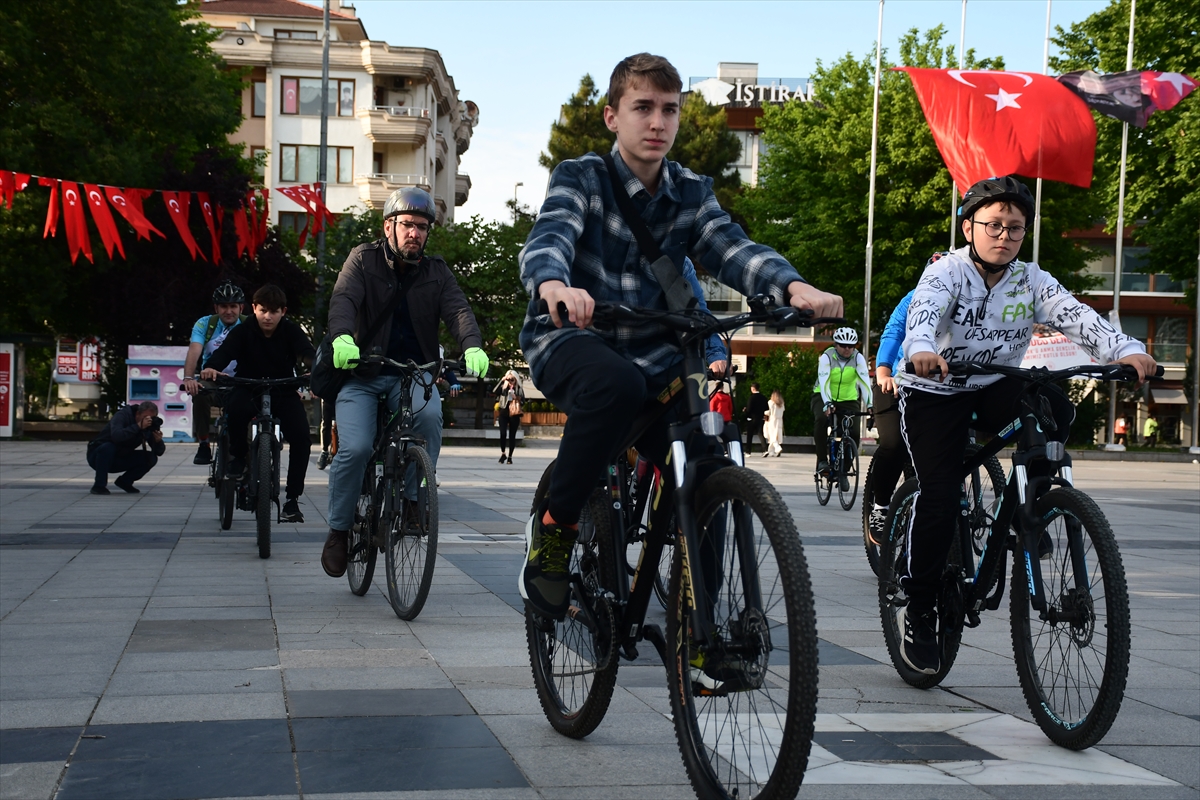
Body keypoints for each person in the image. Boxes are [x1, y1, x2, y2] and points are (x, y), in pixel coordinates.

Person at [515, 52, 842, 630]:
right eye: (643, 107)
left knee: (708, 462)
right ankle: (555, 531)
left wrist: (793, 285)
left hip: (659, 351)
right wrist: (555, 285)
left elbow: (731, 247)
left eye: (669, 109)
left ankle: (700, 632)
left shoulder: (692, 192)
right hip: (572, 335)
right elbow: (552, 235)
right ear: (613, 116)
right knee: (614, 384)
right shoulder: (581, 177)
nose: (657, 122)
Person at [896, 175, 1155, 676]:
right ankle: (919, 611)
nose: (1004, 236)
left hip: (996, 383)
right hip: (936, 389)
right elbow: (923, 316)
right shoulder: (945, 272)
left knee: (1056, 408)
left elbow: (1077, 317)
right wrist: (922, 350)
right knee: (941, 495)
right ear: (969, 225)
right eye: (994, 224)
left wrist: (1127, 350)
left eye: (1015, 228)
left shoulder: (1031, 279)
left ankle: (1032, 503)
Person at [321, 186, 489, 578]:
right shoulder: (362, 259)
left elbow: (459, 310)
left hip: (412, 373)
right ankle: (339, 530)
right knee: (357, 447)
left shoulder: (436, 272)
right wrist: (343, 337)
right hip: (363, 373)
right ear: (389, 226)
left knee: (429, 421)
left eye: (422, 227)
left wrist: (472, 345)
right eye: (408, 225)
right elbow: (343, 300)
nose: (415, 233)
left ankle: (413, 501)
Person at [201, 284, 315, 523]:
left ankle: (292, 499)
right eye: (263, 310)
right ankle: (239, 458)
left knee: (301, 436)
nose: (268, 316)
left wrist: (314, 370)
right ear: (253, 308)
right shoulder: (243, 331)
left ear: (283, 311)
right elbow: (225, 353)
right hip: (248, 387)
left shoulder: (291, 330)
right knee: (236, 409)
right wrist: (212, 367)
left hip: (283, 390)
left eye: (274, 311)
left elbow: (306, 352)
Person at [866, 289, 914, 543]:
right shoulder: (915, 297)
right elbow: (894, 331)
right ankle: (881, 507)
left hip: (946, 385)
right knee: (893, 444)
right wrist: (883, 369)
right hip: (896, 381)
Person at [182, 281, 245, 465]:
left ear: (241, 307)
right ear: (216, 307)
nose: (228, 311)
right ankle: (203, 444)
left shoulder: (250, 324)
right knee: (200, 392)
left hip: (242, 380)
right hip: (212, 379)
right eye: (223, 306)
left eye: (233, 306)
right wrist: (188, 377)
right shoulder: (205, 324)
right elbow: (195, 349)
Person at [811, 327, 872, 491]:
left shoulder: (858, 358)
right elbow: (824, 382)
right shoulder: (827, 357)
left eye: (851, 346)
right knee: (822, 419)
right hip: (822, 395)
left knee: (853, 432)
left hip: (849, 398)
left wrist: (871, 405)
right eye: (843, 345)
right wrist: (827, 403)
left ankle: (843, 471)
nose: (847, 349)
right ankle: (823, 460)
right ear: (836, 345)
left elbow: (865, 383)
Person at [86, 401, 166, 494]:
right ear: (137, 414)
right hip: (97, 456)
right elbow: (117, 436)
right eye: (145, 417)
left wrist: (158, 441)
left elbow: (158, 452)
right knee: (108, 447)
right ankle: (99, 485)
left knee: (150, 458)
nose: (148, 420)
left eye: (151, 418)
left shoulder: (148, 425)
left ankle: (125, 481)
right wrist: (138, 426)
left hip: (120, 457)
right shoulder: (122, 415)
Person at [494, 370, 525, 464]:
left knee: (512, 436)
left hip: (514, 414)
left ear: (516, 379)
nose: (511, 381)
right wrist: (502, 381)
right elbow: (494, 392)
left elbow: (523, 401)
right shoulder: (503, 388)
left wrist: (516, 397)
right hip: (503, 412)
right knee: (502, 433)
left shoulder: (519, 388)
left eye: (512, 379)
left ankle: (510, 457)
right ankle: (503, 453)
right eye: (509, 379)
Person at [741, 383, 770, 454]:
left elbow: (749, 409)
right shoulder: (763, 397)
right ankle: (765, 449)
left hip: (752, 419)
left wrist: (745, 411)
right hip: (760, 418)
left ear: (753, 389)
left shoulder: (751, 398)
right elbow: (766, 408)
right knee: (760, 434)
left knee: (750, 435)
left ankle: (748, 451)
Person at [764, 389, 785, 457]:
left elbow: (768, 411)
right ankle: (771, 451)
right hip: (779, 420)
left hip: (772, 420)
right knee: (775, 435)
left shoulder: (771, 402)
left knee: (772, 435)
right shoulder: (781, 403)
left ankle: (777, 448)